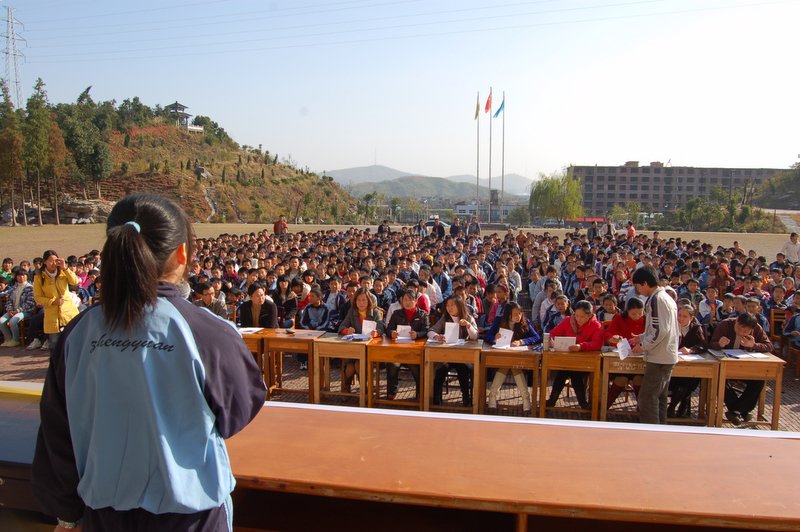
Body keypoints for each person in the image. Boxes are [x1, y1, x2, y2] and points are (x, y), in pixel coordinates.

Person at [32, 193, 265, 531]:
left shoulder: (79, 333)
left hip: (104, 517)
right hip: (190, 518)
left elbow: (57, 433)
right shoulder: (207, 332)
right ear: (182, 253)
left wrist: (66, 514)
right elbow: (237, 412)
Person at [630, 265, 680, 425]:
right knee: (659, 397)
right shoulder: (665, 297)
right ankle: (661, 429)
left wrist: (643, 345)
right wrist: (641, 337)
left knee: (647, 398)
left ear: (644, 283)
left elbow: (660, 330)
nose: (638, 290)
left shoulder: (657, 299)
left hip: (659, 357)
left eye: (638, 286)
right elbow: (659, 327)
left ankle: (651, 431)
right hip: (665, 354)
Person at [710, 313, 773, 425]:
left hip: (747, 368)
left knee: (759, 380)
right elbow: (710, 344)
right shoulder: (725, 325)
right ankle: (742, 410)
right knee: (718, 380)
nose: (741, 332)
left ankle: (736, 411)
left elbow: (769, 346)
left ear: (751, 329)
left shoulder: (757, 328)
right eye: (739, 328)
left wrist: (754, 345)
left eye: (745, 331)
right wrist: (719, 344)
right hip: (725, 366)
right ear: (736, 321)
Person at [545, 300, 604, 410]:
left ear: (590, 315)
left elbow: (597, 344)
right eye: (576, 315)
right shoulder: (569, 320)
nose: (578, 319)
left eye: (582, 317)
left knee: (574, 374)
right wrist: (552, 341)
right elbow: (552, 333)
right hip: (567, 359)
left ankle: (581, 403)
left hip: (585, 362)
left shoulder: (596, 325)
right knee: (563, 372)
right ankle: (554, 400)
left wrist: (581, 346)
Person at [484, 302, 541, 413]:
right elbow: (487, 336)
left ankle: (492, 396)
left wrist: (522, 341)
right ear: (508, 314)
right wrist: (495, 338)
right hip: (502, 353)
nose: (518, 316)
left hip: (518, 355)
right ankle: (526, 398)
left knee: (511, 365)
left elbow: (537, 337)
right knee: (510, 365)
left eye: (520, 313)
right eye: (515, 314)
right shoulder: (499, 320)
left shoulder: (525, 322)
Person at [429, 295, 479, 407]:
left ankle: (466, 398)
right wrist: (437, 337)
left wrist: (468, 326)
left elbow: (475, 336)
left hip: (463, 356)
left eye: (452, 305)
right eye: (447, 305)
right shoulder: (444, 318)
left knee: (464, 369)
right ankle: (436, 398)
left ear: (459, 306)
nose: (449, 308)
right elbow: (431, 331)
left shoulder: (468, 318)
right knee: (441, 369)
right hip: (447, 355)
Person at [384, 289, 429, 399]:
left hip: (414, 352)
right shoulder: (396, 313)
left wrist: (417, 334)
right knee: (392, 365)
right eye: (405, 300)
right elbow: (388, 329)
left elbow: (427, 331)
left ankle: (420, 392)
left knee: (416, 368)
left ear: (415, 301)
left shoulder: (422, 315)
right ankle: (392, 391)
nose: (407, 302)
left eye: (410, 300)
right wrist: (392, 333)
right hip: (398, 350)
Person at [338, 287, 384, 392]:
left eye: (364, 300)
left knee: (359, 365)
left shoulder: (375, 312)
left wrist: (376, 333)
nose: (361, 303)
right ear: (355, 301)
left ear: (368, 301)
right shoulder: (352, 311)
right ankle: (346, 388)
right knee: (350, 366)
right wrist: (347, 330)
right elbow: (341, 327)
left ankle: (364, 390)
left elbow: (381, 328)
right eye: (358, 300)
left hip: (369, 349)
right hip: (354, 349)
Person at [33, 250, 80, 350]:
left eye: (55, 260)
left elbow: (75, 281)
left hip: (68, 312)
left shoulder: (63, 272)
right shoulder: (39, 278)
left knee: (72, 341)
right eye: (50, 261)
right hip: (52, 315)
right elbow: (37, 297)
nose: (53, 263)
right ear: (44, 262)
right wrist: (52, 301)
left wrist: (65, 268)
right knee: (54, 344)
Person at [603, 298, 646, 408]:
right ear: (627, 311)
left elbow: (652, 337)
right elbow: (608, 334)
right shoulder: (619, 318)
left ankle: (642, 410)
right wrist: (613, 338)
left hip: (641, 361)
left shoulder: (647, 320)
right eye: (633, 314)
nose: (637, 316)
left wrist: (642, 346)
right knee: (621, 379)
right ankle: (604, 408)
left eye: (640, 313)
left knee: (639, 379)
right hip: (622, 360)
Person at [667, 305, 707, 418]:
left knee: (689, 381)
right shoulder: (671, 327)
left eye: (685, 316)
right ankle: (681, 408)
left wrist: (691, 350)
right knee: (680, 382)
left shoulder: (696, 329)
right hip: (672, 365)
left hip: (689, 365)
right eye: (679, 315)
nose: (681, 318)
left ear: (691, 318)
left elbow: (703, 346)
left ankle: (672, 407)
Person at [1, 268, 35, 347]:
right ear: (16, 277)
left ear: (27, 276)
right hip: (12, 311)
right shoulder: (14, 287)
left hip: (25, 311)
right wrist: (9, 310)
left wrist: (17, 311)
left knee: (13, 321)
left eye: (23, 275)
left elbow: (29, 303)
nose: (21, 277)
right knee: (1, 321)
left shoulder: (30, 287)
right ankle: (8, 339)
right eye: (19, 276)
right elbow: (9, 299)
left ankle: (15, 340)